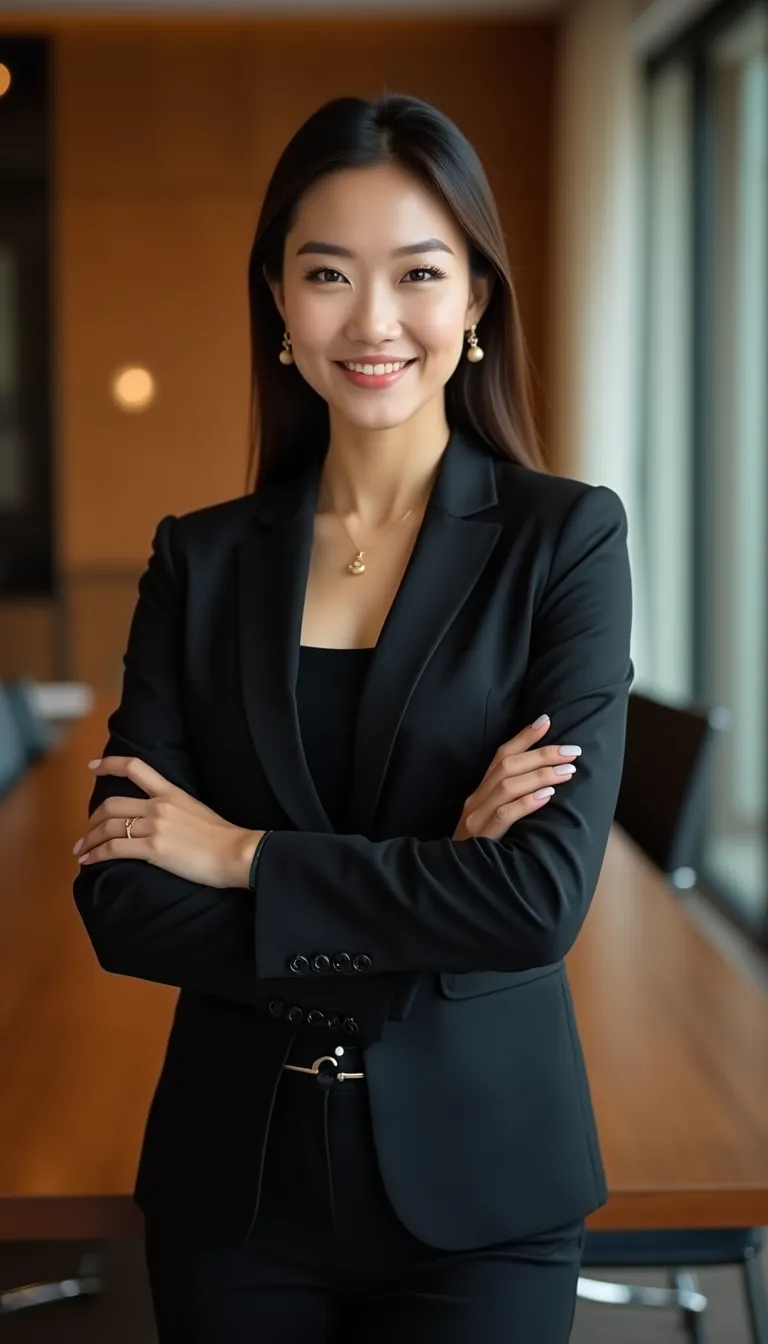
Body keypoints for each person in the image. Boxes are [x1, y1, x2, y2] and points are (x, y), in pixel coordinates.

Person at [72, 93, 633, 1343]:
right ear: (277, 297)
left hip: (488, 1182)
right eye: (327, 273)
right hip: (237, 1184)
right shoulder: (198, 562)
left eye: (419, 274)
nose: (373, 321)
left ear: (477, 298)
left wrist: (240, 856)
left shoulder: (565, 541)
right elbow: (122, 899)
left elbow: (540, 902)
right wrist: (439, 882)